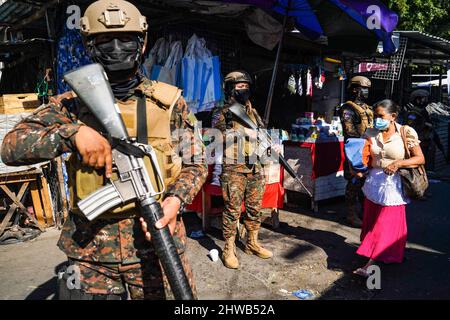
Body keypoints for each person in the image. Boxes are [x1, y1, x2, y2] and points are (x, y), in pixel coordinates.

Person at [1, 0, 207, 299]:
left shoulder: (169, 102)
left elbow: (197, 162)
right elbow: (10, 148)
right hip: (90, 252)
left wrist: (175, 201)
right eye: (104, 40)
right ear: (89, 46)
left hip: (155, 242)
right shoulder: (71, 104)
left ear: (142, 43)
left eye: (125, 39)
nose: (116, 47)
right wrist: (72, 133)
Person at [351, 99, 425, 276]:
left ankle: (370, 264)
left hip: (395, 185)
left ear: (393, 116)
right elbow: (363, 154)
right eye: (376, 116)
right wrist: (357, 168)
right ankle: (389, 253)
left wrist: (399, 163)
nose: (377, 119)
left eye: (381, 116)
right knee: (372, 221)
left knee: (384, 224)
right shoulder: (370, 132)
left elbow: (420, 158)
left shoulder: (406, 132)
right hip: (373, 183)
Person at [213, 70, 273, 269]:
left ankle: (252, 243)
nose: (244, 90)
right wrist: (242, 132)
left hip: (255, 167)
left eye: (246, 86)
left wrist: (270, 144)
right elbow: (217, 136)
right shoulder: (222, 112)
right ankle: (228, 248)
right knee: (232, 211)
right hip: (234, 168)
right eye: (239, 87)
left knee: (255, 209)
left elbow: (263, 133)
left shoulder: (253, 112)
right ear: (230, 89)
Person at [337, 76, 374, 227]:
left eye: (367, 89)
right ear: (354, 89)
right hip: (355, 149)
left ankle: (366, 211)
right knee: (354, 181)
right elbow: (350, 131)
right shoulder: (348, 108)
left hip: (369, 148)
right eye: (362, 88)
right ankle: (351, 214)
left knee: (367, 181)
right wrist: (368, 136)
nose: (365, 92)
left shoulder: (368, 108)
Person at [401, 89, 447, 173]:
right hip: (418, 143)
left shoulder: (423, 111)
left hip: (426, 141)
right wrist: (425, 125)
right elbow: (409, 128)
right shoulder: (413, 113)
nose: (425, 101)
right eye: (423, 98)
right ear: (417, 99)